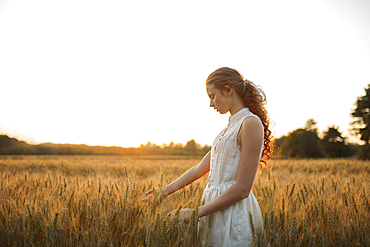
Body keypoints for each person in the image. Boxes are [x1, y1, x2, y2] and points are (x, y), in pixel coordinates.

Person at [142, 67, 274, 246]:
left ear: (228, 90)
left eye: (213, 96)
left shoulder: (250, 123)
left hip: (233, 215)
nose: (211, 104)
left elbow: (243, 188)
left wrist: (196, 212)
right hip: (213, 210)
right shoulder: (226, 130)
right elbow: (200, 168)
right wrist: (164, 191)